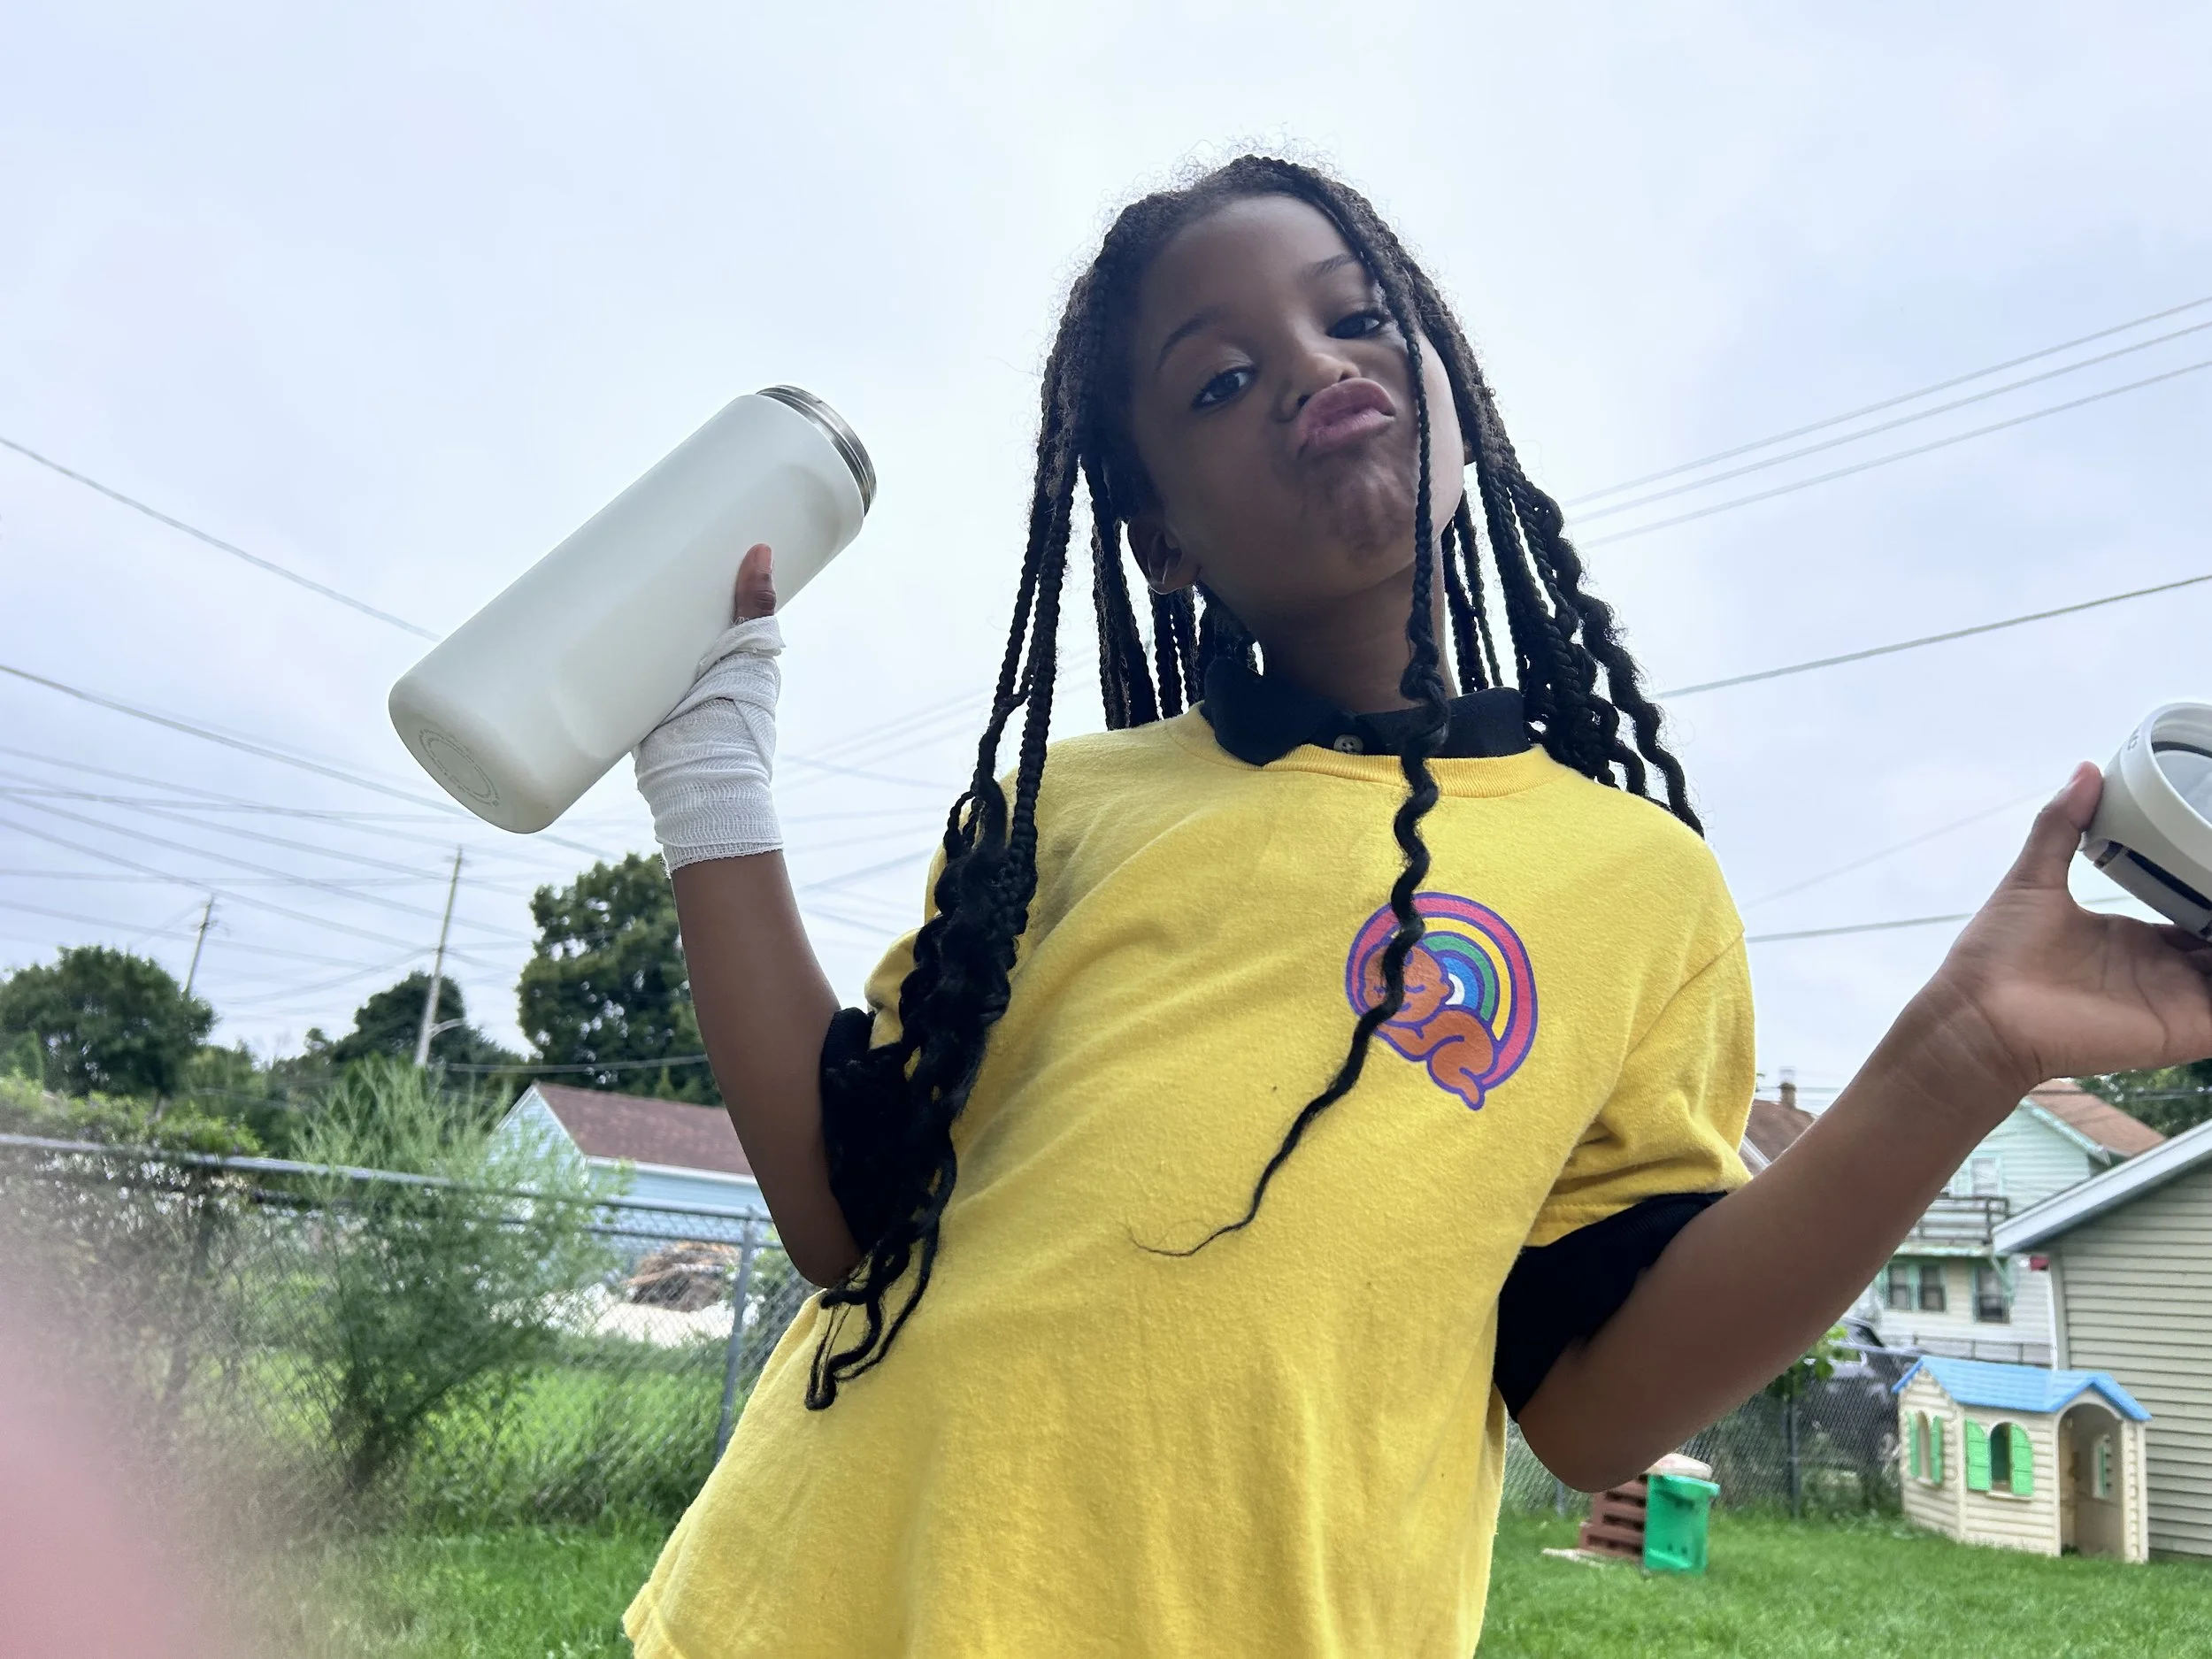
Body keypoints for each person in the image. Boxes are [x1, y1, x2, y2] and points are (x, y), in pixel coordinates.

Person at [622, 156, 2212, 1657]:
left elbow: (1588, 1401)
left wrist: (1965, 1048)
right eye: (1220, 378)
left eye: (1355, 313)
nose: (1316, 366)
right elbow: (846, 1219)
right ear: (1159, 539)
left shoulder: (1640, 888)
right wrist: (713, 781)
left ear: (1448, 384)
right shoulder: (1071, 806)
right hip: (818, 1596)